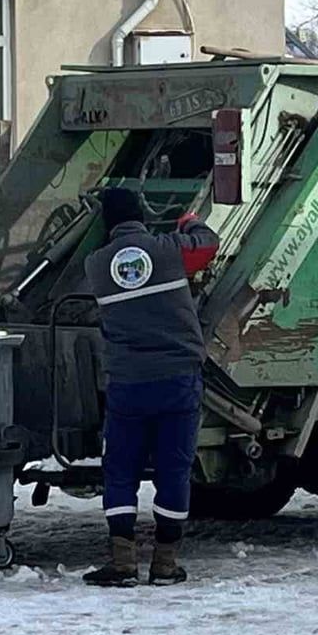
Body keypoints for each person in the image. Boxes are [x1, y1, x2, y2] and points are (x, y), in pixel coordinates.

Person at [82, 187, 219, 587]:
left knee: (120, 470)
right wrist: (188, 220)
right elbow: (207, 246)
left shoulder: (96, 265)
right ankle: (165, 563)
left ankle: (123, 564)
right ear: (141, 216)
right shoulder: (168, 250)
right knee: (173, 470)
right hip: (177, 380)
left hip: (128, 383)